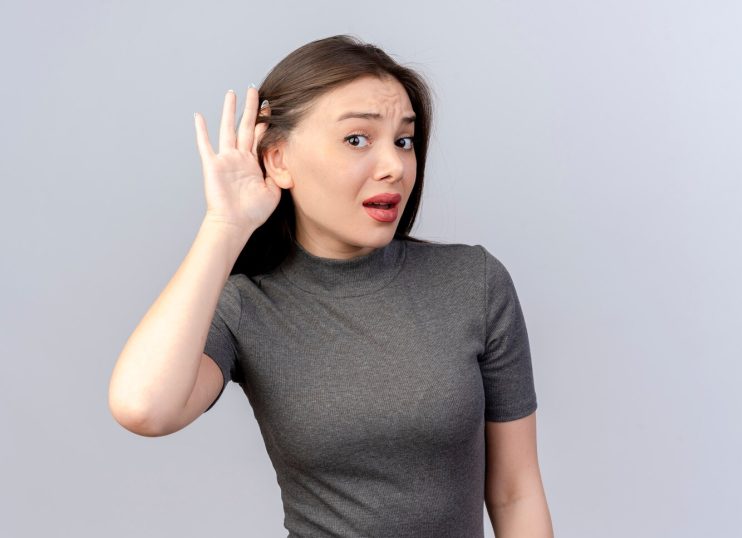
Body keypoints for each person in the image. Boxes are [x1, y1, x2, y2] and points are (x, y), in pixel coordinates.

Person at [108, 34, 553, 538]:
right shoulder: (246, 306)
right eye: (357, 139)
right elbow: (143, 408)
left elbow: (515, 492)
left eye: (403, 141)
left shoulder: (475, 283)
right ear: (278, 160)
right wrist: (224, 226)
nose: (394, 166)